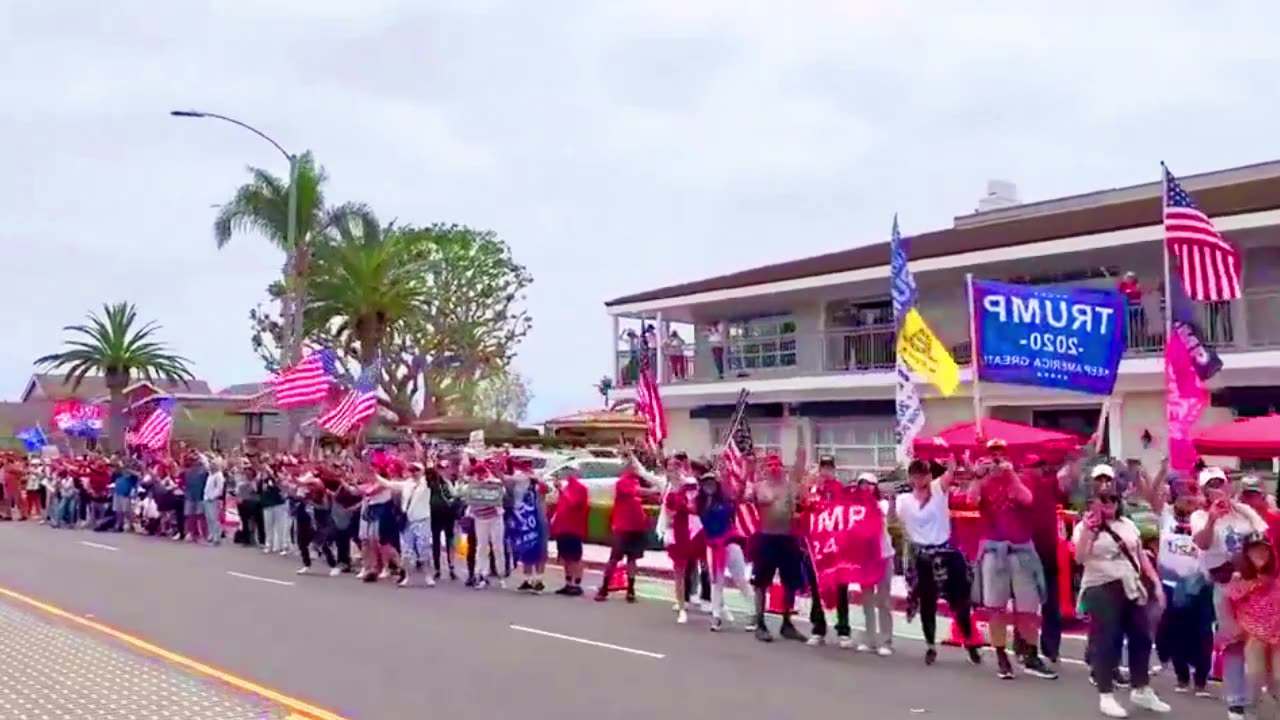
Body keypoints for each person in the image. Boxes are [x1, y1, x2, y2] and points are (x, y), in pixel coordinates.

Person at [1074, 489, 1171, 717]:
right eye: (1103, 500)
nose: (1108, 504)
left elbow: (1140, 555)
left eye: (1113, 499)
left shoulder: (1127, 524)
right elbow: (1079, 558)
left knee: (1141, 636)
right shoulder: (1084, 527)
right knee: (1107, 639)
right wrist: (1090, 531)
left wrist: (1155, 583)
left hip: (1132, 584)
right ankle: (1105, 694)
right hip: (1101, 585)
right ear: (1093, 503)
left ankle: (1141, 687)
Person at [968, 439, 1056, 679]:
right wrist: (977, 476)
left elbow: (1026, 499)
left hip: (1021, 551)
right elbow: (971, 500)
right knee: (995, 608)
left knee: (1028, 609)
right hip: (994, 552)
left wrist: (1010, 476)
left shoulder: (1023, 478)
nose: (996, 458)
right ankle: (1001, 656)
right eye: (992, 453)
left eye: (1001, 453)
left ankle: (1030, 654)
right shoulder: (984, 482)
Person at [1192, 466, 1268, 720]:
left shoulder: (1243, 512)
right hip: (1224, 586)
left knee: (1260, 640)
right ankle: (1235, 703)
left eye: (1220, 483)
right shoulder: (1201, 516)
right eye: (1210, 485)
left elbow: (1262, 537)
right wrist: (1213, 518)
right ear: (1204, 491)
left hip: (1251, 585)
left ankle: (1258, 697)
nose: (1217, 489)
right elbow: (1202, 543)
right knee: (1234, 643)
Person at [895, 457, 981, 665]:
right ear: (910, 478)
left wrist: (952, 460)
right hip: (923, 556)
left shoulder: (937, 489)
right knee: (927, 603)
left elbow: (949, 475)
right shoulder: (903, 500)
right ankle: (930, 645)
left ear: (929, 475)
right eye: (915, 475)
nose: (919, 479)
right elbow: (896, 521)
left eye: (923, 474)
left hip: (946, 552)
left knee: (960, 602)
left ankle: (969, 641)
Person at [746, 421, 808, 643]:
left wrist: (800, 430)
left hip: (788, 538)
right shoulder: (759, 486)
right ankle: (760, 622)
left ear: (782, 466)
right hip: (766, 538)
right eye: (770, 465)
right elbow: (741, 496)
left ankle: (786, 623)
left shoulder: (790, 484)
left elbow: (801, 461)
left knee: (790, 581)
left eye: (777, 465)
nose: (774, 468)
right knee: (761, 581)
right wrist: (747, 472)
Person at [1226, 533, 1280, 713]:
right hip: (1253, 634)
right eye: (1255, 550)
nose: (1260, 553)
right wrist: (1254, 582)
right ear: (1246, 554)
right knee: (1255, 677)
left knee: (1279, 679)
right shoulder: (1239, 577)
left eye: (1264, 549)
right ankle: (1257, 712)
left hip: (1277, 635)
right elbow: (1230, 598)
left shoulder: (1276, 577)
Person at [595, 455, 660, 603]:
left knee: (632, 559)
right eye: (633, 465)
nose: (636, 468)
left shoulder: (636, 480)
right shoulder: (622, 482)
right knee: (614, 558)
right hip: (622, 527)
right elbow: (636, 491)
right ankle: (604, 588)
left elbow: (645, 495)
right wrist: (652, 491)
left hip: (637, 527)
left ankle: (631, 590)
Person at [550, 470, 589, 596]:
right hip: (563, 527)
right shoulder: (567, 488)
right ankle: (568, 583)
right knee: (566, 557)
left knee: (575, 557)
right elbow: (561, 505)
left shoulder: (580, 489)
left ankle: (576, 584)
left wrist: (562, 490)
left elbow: (573, 502)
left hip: (574, 528)